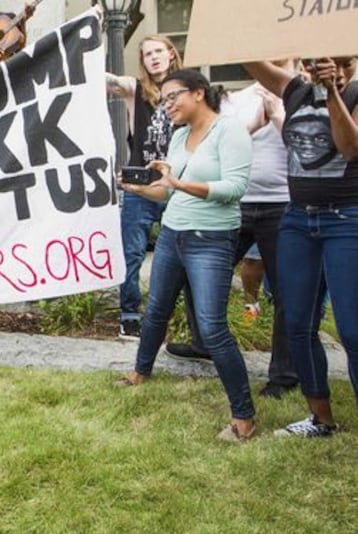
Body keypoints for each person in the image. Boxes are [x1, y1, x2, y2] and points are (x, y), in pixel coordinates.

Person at [115, 70, 255, 442]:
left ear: (198, 93)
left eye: (173, 96)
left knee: (211, 327)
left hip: (210, 240)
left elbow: (234, 188)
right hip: (172, 235)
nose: (167, 105)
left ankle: (243, 415)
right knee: (156, 309)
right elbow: (168, 193)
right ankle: (140, 372)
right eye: (163, 100)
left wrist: (177, 182)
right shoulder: (179, 135)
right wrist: (136, 189)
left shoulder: (229, 131)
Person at [165, 59, 299, 399]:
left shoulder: (302, 95)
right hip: (235, 204)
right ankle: (203, 342)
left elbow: (309, 150)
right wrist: (251, 124)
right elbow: (223, 144)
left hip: (282, 204)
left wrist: (279, 116)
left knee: (284, 290)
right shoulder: (234, 99)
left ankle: (283, 375)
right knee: (193, 271)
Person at [244, 56, 358, 437]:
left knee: (352, 330)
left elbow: (350, 148)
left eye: (338, 60)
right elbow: (249, 57)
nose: (322, 65)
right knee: (297, 323)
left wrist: (332, 94)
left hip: (346, 219)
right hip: (297, 219)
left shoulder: (355, 92)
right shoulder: (294, 90)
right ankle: (321, 419)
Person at [105, 35, 182, 340]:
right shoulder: (136, 89)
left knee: (182, 252)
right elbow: (105, 80)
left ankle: (177, 315)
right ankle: (130, 315)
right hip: (141, 186)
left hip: (178, 184)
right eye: (148, 54)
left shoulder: (189, 90)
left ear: (171, 54)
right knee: (132, 253)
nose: (154, 57)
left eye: (158, 51)